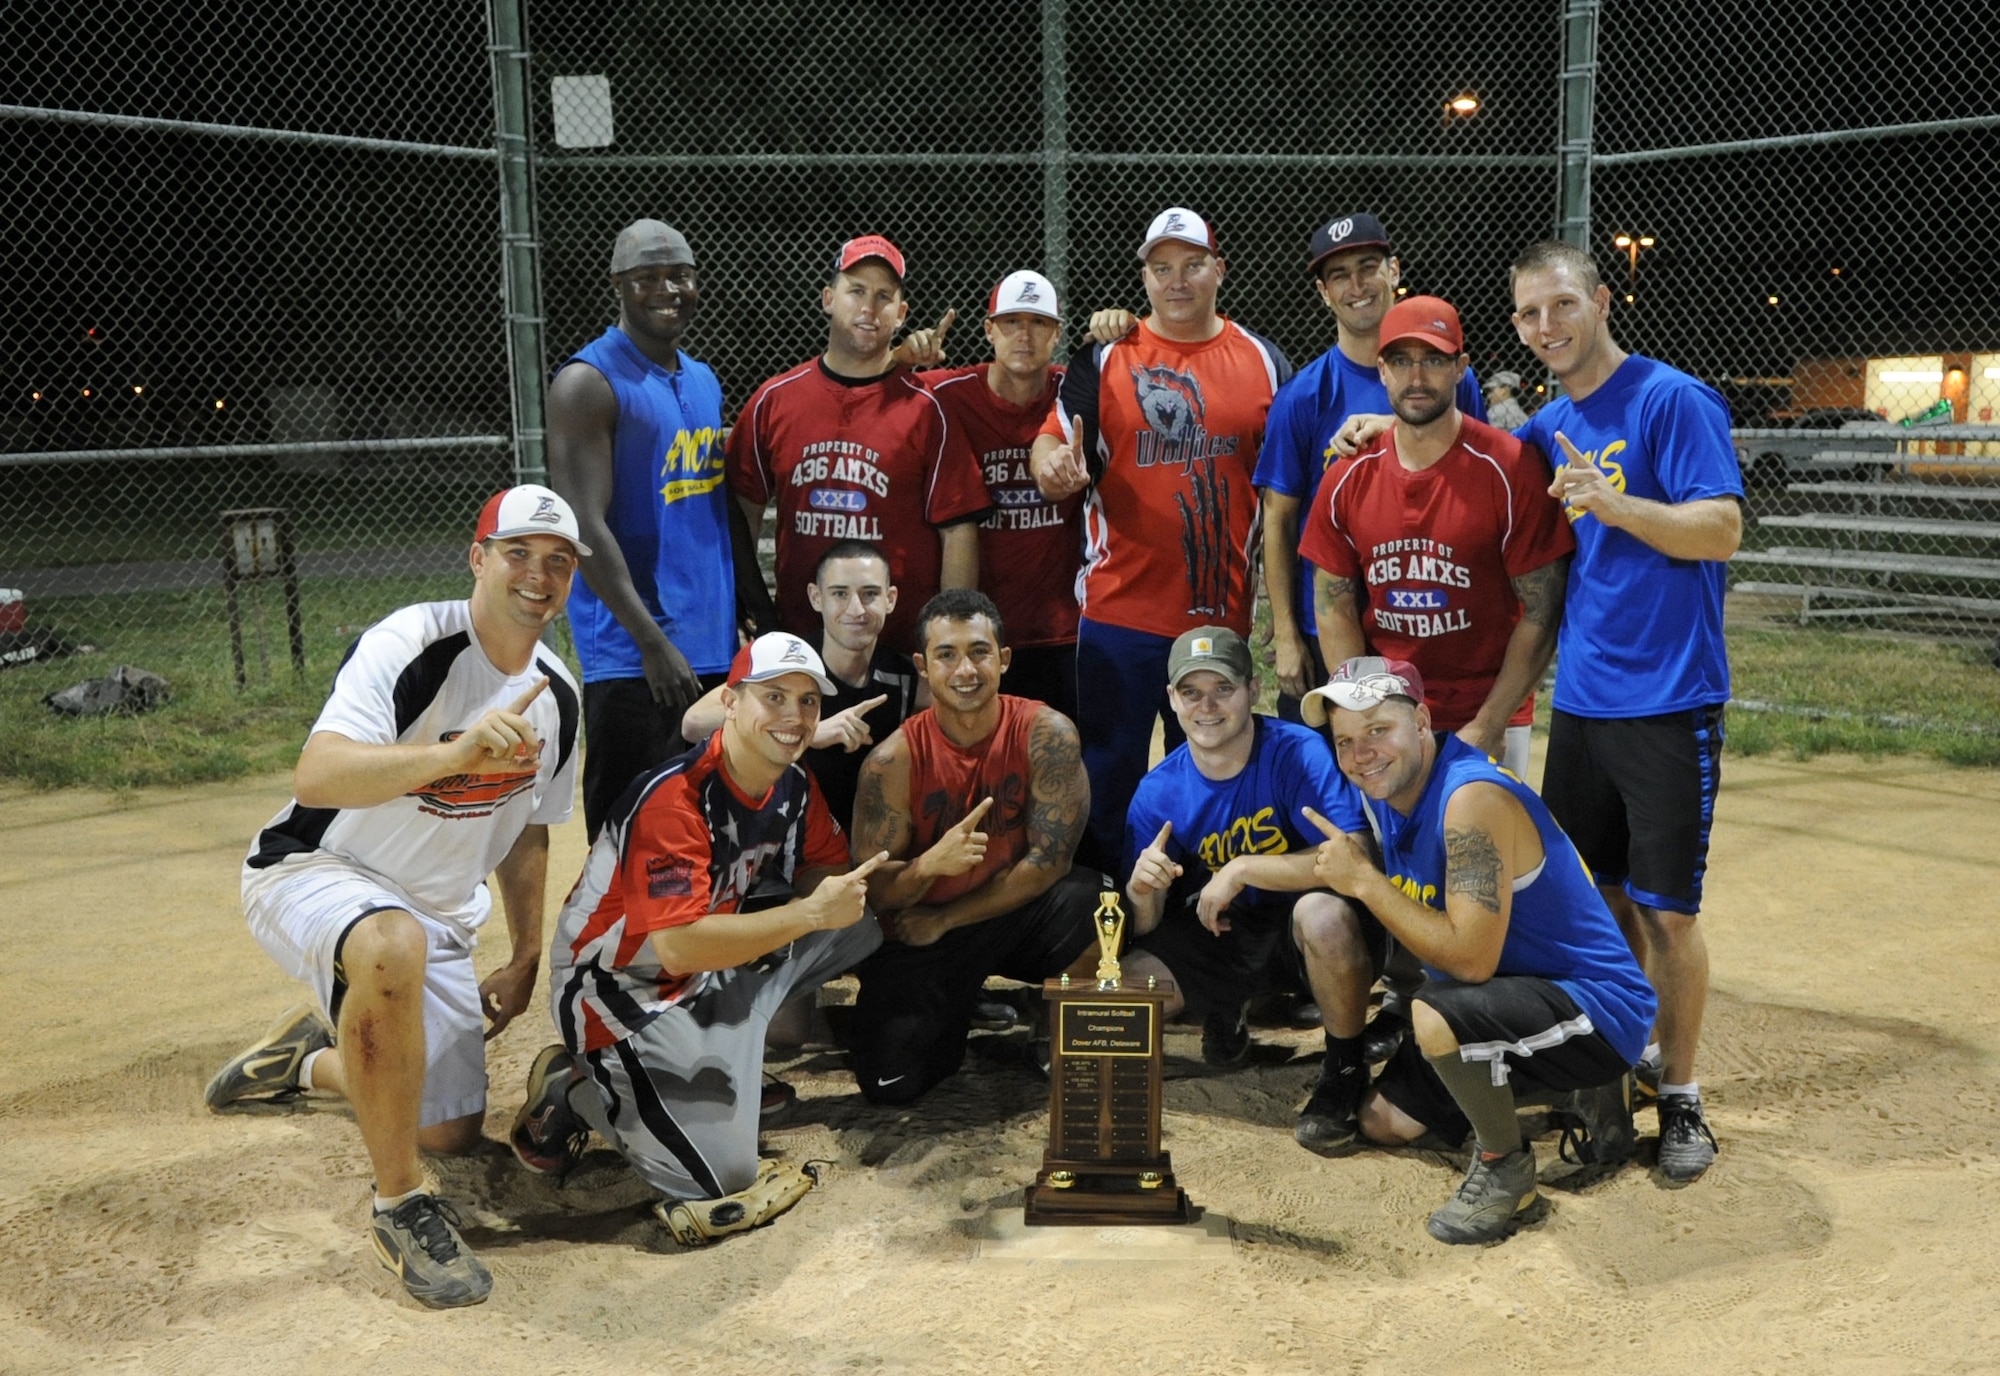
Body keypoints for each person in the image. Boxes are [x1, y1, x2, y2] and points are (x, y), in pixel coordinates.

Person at [204, 485, 587, 1309]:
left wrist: (524, 953)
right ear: (477, 558)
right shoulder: (412, 640)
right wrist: (453, 757)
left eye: (558, 562)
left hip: (436, 919)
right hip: (314, 870)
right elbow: (320, 772)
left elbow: (528, 831)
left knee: (445, 1131)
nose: (537, 574)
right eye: (517, 552)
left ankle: (307, 1059)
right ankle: (401, 1207)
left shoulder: (558, 696)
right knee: (388, 945)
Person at [515, 632, 888, 1247]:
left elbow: (822, 868)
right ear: (731, 702)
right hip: (617, 988)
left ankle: (725, 1054)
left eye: (808, 702)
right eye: (774, 697)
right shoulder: (673, 800)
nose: (794, 717)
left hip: (702, 973)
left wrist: (837, 893)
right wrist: (808, 914)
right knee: (720, 1177)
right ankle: (575, 1090)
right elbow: (680, 946)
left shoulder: (791, 785)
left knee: (863, 924)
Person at [1509, 239, 1744, 1183]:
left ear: (1602, 300)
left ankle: (1681, 1098)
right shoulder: (1552, 423)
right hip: (1587, 704)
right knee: (1598, 900)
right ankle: (1620, 1063)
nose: (1547, 327)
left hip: (1670, 699)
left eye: (1562, 305)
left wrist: (1616, 501)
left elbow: (1722, 527)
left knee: (1668, 915)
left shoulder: (1670, 400)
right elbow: (1484, 452)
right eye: (1529, 314)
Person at [1300, 657, 1657, 1245]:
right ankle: (1568, 1086)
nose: (1361, 754)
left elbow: (1469, 960)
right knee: (1380, 1123)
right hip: (1511, 994)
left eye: (1376, 731)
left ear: (1421, 720)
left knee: (1434, 1013)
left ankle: (1506, 1170)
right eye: (1345, 740)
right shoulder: (1396, 788)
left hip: (1595, 1007)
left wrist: (1364, 882)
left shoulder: (1470, 800)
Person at [1030, 207, 1292, 867]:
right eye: (1161, 267)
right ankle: (1105, 919)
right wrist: (1051, 466)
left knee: (1217, 772)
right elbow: (1054, 439)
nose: (1177, 281)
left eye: (1192, 264)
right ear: (1144, 275)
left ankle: (1201, 915)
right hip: (1121, 610)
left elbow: (1287, 491)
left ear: (1219, 269)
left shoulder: (1264, 361)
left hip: (1217, 615)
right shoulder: (1108, 354)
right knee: (1109, 768)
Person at [546, 219, 769, 840]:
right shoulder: (587, 383)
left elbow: (713, 504)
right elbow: (583, 524)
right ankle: (603, 942)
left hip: (708, 645)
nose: (667, 289)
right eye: (647, 278)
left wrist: (752, 607)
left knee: (704, 832)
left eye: (680, 276)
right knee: (628, 837)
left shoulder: (700, 378)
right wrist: (650, 642)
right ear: (618, 285)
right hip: (634, 659)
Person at [1117, 627, 1378, 1155]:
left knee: (1324, 914)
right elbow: (1144, 926)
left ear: (1252, 690)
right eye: (1191, 692)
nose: (1207, 706)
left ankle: (1344, 1066)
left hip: (1298, 931)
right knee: (1122, 992)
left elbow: (1355, 855)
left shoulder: (1296, 751)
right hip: (1222, 935)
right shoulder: (1157, 791)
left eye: (1224, 689)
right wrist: (1143, 889)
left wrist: (1242, 868)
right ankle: (1224, 1008)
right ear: (1171, 699)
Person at [1297, 294, 1573, 780]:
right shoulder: (1347, 477)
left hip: (1488, 707)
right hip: (1391, 709)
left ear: (1460, 368)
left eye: (1433, 360)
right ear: (1382, 370)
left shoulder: (1508, 469)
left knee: (1484, 853)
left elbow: (1542, 609)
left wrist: (1490, 722)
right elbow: (1332, 603)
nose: (1416, 378)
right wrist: (1364, 710)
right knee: (1390, 853)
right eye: (1401, 361)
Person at [845, 589, 1099, 1104]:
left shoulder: (1045, 733)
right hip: (923, 933)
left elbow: (1051, 861)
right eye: (947, 654)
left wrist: (950, 916)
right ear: (923, 666)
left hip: (1006, 912)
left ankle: (1052, 1032)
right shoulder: (891, 762)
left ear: (1004, 659)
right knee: (891, 1086)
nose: (966, 669)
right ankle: (940, 1016)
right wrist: (925, 869)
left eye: (980, 651)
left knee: (1096, 905)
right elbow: (873, 895)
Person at [1254, 214, 1486, 723]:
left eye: (1367, 267)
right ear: (1323, 292)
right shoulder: (1303, 397)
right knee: (1329, 783)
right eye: (1340, 275)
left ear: (1394, 269)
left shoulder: (1448, 380)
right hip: (1328, 627)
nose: (1356, 286)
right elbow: (1279, 519)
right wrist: (1288, 633)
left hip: (1427, 622)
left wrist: (1399, 426)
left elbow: (1480, 478)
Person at [727, 235, 990, 652]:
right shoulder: (775, 400)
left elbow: (957, 530)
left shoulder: (926, 407)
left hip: (898, 644)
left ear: (901, 313)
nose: (869, 307)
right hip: (798, 638)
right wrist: (752, 607)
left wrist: (945, 636)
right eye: (856, 291)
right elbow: (741, 511)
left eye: (884, 296)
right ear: (829, 298)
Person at [681, 540, 925, 830]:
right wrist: (809, 731)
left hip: (858, 841)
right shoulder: (787, 657)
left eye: (869, 594)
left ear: (890, 599)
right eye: (840, 594)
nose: (856, 609)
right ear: (816, 597)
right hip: (775, 840)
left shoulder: (901, 674)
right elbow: (693, 723)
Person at [927, 270, 1081, 720]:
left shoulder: (1074, 393)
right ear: (989, 329)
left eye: (1038, 323)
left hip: (1063, 629)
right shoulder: (948, 393)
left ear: (1057, 333)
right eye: (1012, 322)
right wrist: (901, 357)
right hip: (985, 635)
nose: (1024, 335)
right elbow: (871, 385)